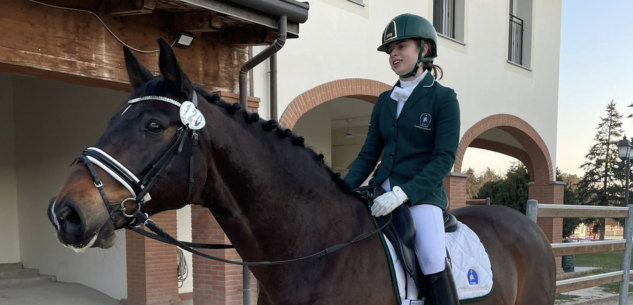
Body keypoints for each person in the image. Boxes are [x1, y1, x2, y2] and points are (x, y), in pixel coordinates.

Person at [343, 13, 461, 305]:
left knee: (433, 255)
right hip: (380, 190)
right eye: (390, 50)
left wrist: (404, 194)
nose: (393, 54)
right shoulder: (384, 101)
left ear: (424, 50)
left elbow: (443, 159)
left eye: (401, 47)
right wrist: (341, 189)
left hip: (422, 195)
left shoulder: (444, 99)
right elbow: (369, 154)